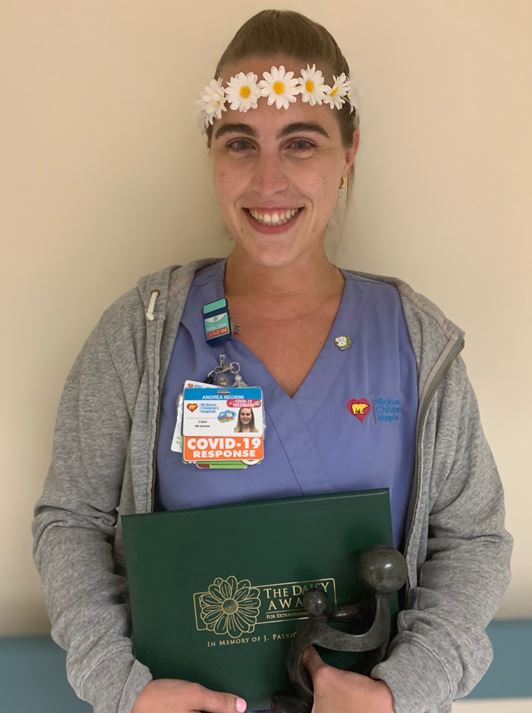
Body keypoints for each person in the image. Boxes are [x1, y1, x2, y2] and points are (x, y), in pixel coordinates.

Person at [32, 9, 512, 713]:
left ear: (349, 154)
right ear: (211, 155)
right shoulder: (142, 334)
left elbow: (472, 537)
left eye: (301, 143)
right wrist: (123, 689)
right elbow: (70, 518)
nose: (268, 181)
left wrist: (399, 694)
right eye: (239, 143)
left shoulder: (416, 341)